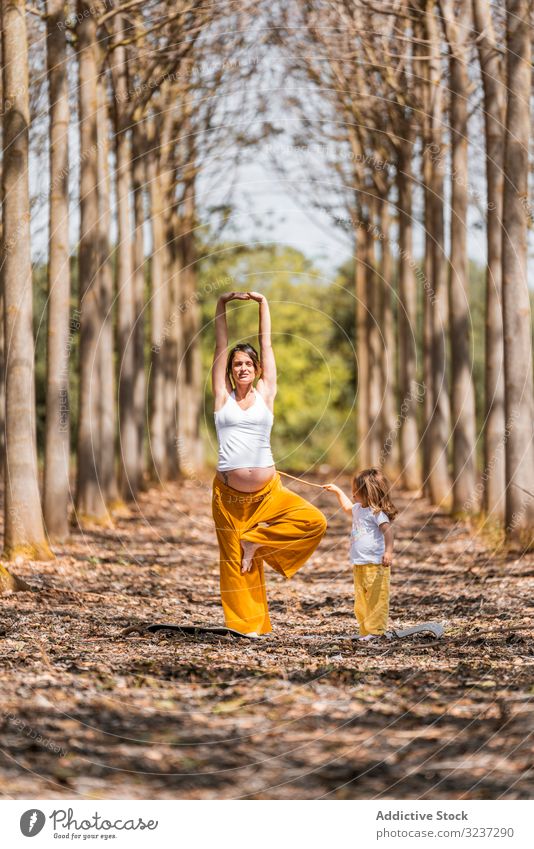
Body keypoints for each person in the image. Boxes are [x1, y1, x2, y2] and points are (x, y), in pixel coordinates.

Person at [211, 291, 328, 637]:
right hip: (229, 499)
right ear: (230, 370)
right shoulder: (222, 396)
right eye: (236, 364)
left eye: (248, 363)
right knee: (234, 565)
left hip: (268, 493)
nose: (242, 367)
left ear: (257, 368)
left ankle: (257, 540)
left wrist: (263, 304)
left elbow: (269, 345)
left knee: (314, 521)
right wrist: (222, 304)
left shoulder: (266, 393)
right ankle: (247, 628)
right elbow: (220, 345)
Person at [323, 468, 397, 640]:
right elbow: (347, 507)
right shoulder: (358, 509)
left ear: (368, 492)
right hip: (360, 564)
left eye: (356, 491)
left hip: (376, 565)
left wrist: (389, 552)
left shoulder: (376, 513)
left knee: (376, 599)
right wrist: (337, 491)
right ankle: (365, 630)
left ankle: (376, 630)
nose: (353, 494)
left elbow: (388, 532)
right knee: (361, 601)